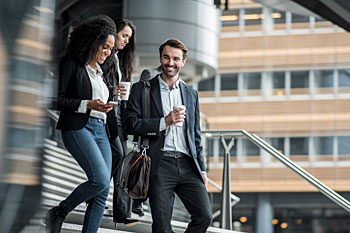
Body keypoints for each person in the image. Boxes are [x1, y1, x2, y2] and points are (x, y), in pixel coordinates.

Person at [124, 39, 212, 233]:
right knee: (162, 227)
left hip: (188, 164)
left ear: (183, 62)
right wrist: (164, 122)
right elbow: (130, 124)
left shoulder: (191, 94)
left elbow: (195, 135)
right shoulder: (143, 89)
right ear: (160, 58)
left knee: (204, 216)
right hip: (159, 163)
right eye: (166, 57)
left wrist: (202, 169)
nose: (170, 63)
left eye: (175, 59)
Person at [44, 15, 117, 233]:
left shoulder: (102, 73)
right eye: (105, 47)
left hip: (101, 131)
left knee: (102, 191)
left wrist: (110, 101)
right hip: (78, 128)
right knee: (100, 179)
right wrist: (88, 104)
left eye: (111, 50)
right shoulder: (71, 64)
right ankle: (59, 211)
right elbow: (56, 99)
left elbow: (100, 102)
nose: (108, 53)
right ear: (92, 41)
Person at [101, 18, 142, 226]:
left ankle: (98, 199)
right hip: (105, 116)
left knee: (114, 165)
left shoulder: (120, 60)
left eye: (129, 38)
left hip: (118, 118)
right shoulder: (104, 56)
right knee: (121, 160)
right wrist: (113, 91)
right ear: (113, 32)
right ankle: (122, 211)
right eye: (124, 35)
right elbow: (93, 87)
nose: (126, 41)